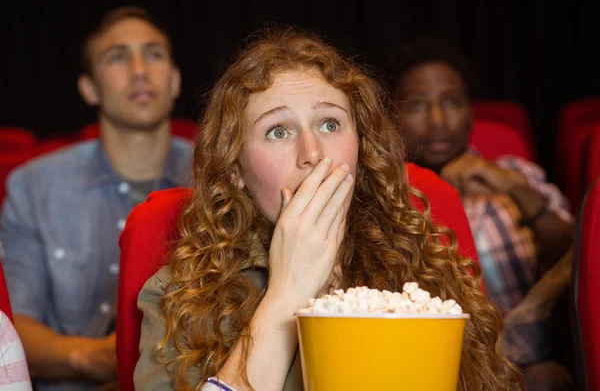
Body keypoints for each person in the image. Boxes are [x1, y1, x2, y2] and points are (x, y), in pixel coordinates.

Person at [133, 27, 522, 391]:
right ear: (236, 170)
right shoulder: (178, 296)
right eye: (278, 131)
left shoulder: (424, 264)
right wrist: (287, 295)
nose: (313, 153)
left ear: (360, 146)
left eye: (330, 125)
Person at [0, 6, 192, 390]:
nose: (140, 69)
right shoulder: (33, 187)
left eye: (154, 54)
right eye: (118, 57)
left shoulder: (221, 175)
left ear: (174, 81)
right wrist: (96, 359)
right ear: (89, 87)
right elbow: (14, 325)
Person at [389, 38, 574, 390]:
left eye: (451, 102)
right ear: (391, 115)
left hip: (524, 358)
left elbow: (578, 266)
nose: (438, 120)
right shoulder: (384, 196)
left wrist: (516, 189)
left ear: (471, 111)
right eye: (416, 105)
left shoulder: (516, 175)